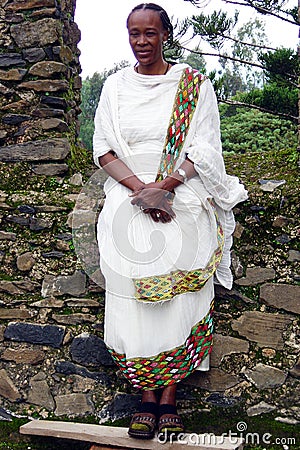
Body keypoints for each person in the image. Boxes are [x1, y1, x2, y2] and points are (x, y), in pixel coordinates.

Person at [93, 2, 247, 440]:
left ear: (166, 35)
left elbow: (204, 148)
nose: (141, 42)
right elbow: (103, 147)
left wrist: (168, 187)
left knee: (178, 300)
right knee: (137, 301)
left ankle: (170, 400)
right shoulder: (114, 87)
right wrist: (143, 192)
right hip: (129, 200)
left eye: (150, 33)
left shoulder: (193, 86)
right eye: (133, 34)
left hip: (182, 201)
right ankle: (145, 399)